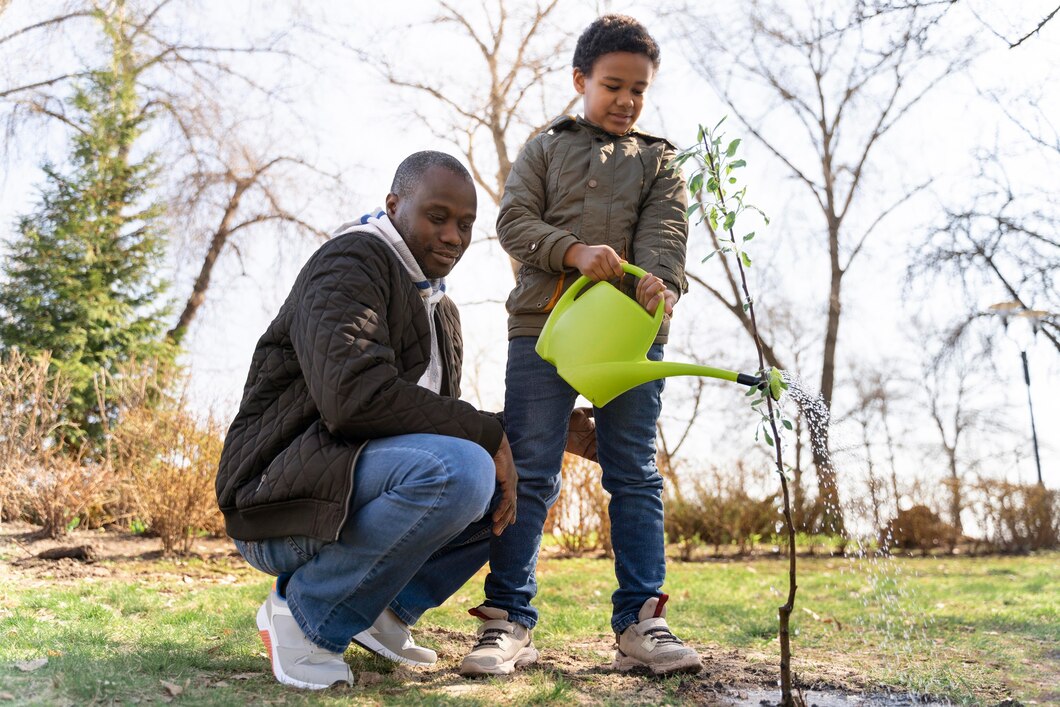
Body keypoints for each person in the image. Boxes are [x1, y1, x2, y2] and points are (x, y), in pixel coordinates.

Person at [215, 151, 519, 690]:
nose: (453, 235)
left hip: (348, 483)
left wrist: (528, 436)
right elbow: (354, 399)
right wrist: (485, 432)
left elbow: (427, 423)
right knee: (463, 471)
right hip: (279, 500)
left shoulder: (439, 308)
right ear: (395, 206)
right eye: (438, 216)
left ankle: (385, 612)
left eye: (465, 225)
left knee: (524, 470)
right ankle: (303, 616)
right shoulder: (350, 263)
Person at [459, 15, 703, 677]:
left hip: (627, 337)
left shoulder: (660, 161)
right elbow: (513, 220)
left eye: (639, 90)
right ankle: (507, 619)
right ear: (581, 81)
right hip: (542, 328)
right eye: (613, 85)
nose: (627, 100)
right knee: (530, 469)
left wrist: (660, 285)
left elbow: (666, 238)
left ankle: (642, 622)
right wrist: (572, 250)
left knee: (634, 473)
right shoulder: (544, 147)